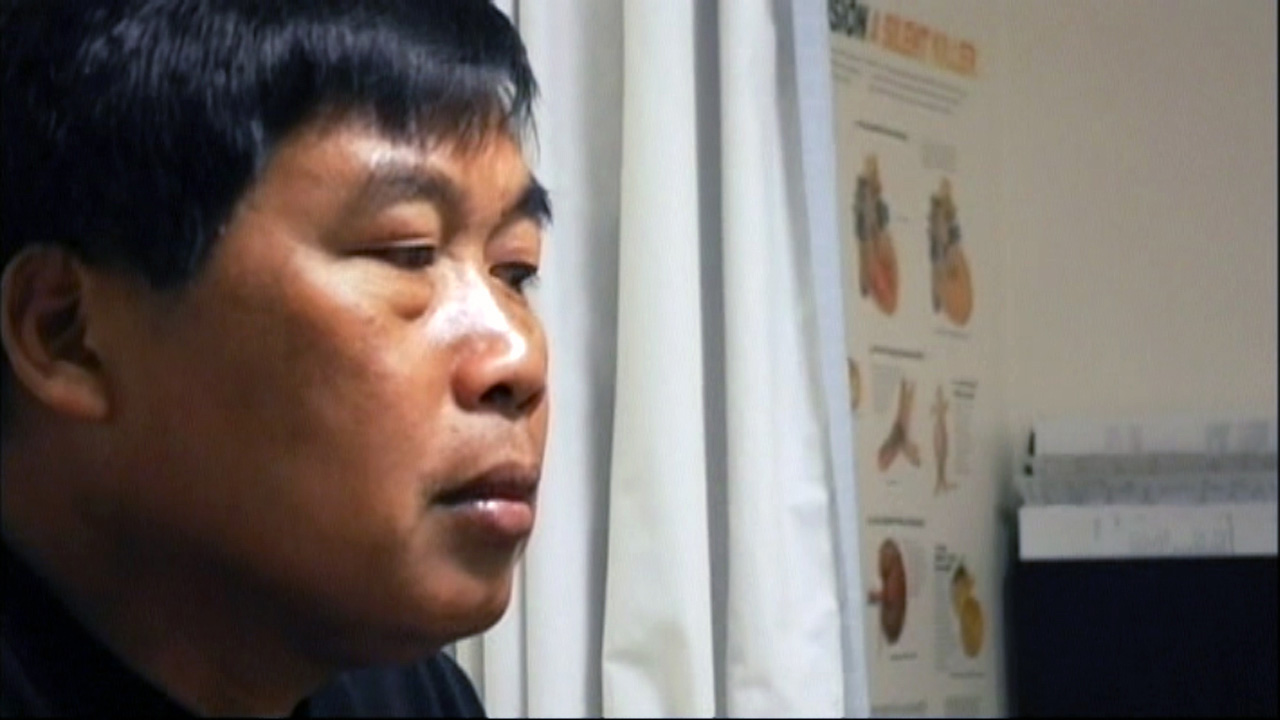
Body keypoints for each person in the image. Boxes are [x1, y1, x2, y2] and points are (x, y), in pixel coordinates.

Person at [1, 0, 551, 715]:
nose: (516, 359)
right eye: (406, 253)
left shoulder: (411, 698)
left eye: (515, 270)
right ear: (66, 334)